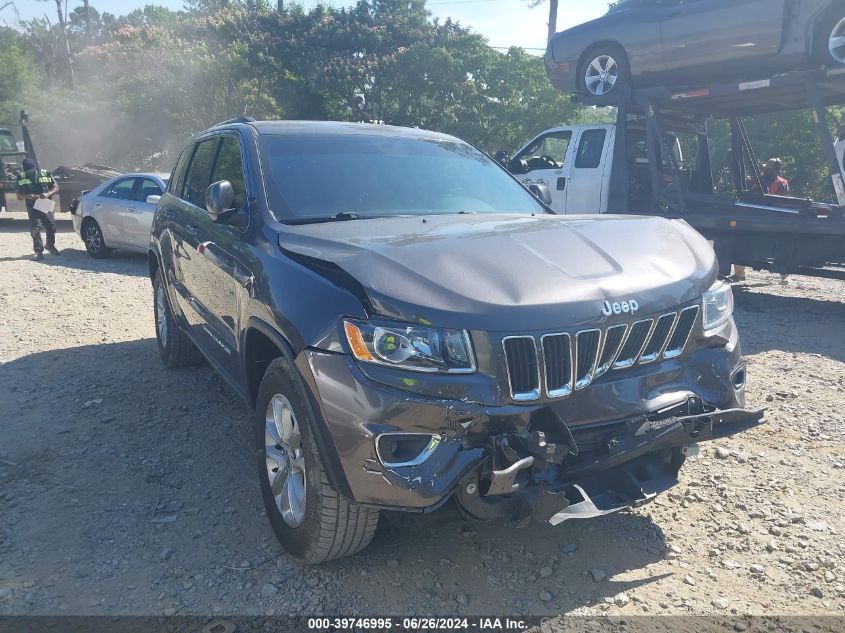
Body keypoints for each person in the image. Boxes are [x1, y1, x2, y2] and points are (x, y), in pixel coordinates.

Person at [15, 158, 60, 261]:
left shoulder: (45, 174)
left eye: (31, 170)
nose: (29, 172)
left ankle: (50, 246)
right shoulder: (21, 177)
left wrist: (48, 193)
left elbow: (56, 187)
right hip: (32, 206)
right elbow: (18, 195)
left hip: (45, 203)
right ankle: (38, 251)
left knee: (51, 226)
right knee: (36, 228)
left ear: (35, 167)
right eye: (27, 171)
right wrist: (27, 195)